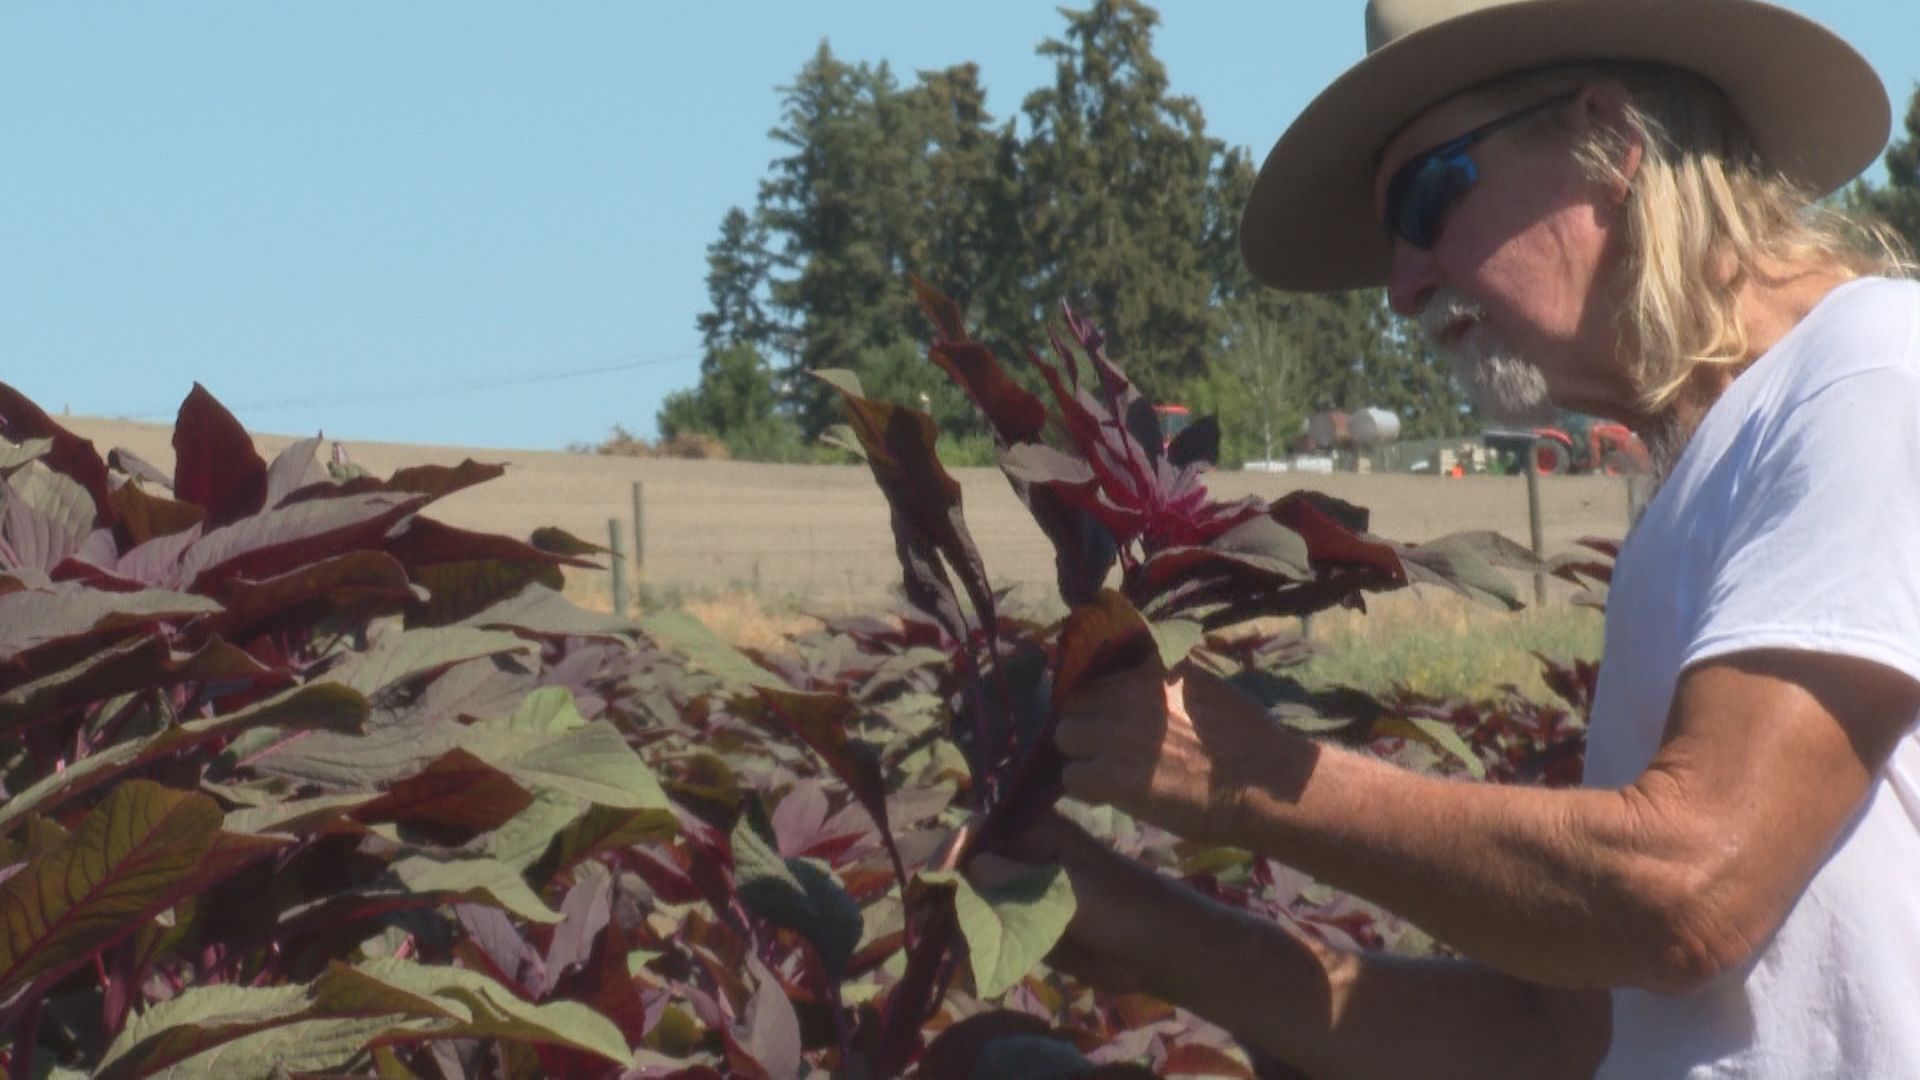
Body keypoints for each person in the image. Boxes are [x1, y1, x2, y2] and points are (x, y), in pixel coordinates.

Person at [981, 1, 1920, 1076]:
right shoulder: (1721, 466)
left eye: (1429, 198)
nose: (1402, 287)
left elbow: (1690, 889)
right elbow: (1569, 1038)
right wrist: (1153, 928)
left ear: (1608, 140)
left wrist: (1239, 770)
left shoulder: (1875, 372)